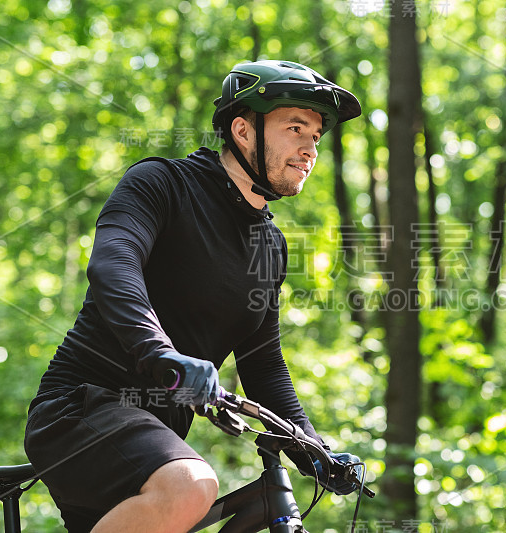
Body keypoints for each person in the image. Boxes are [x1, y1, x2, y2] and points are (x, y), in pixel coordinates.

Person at [24, 60, 363, 533]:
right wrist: (163, 355)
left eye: (317, 137)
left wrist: (314, 451)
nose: (311, 148)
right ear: (243, 130)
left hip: (153, 444)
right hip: (80, 410)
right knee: (191, 485)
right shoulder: (162, 184)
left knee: (185, 486)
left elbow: (263, 365)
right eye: (295, 128)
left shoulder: (270, 247)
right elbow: (113, 264)